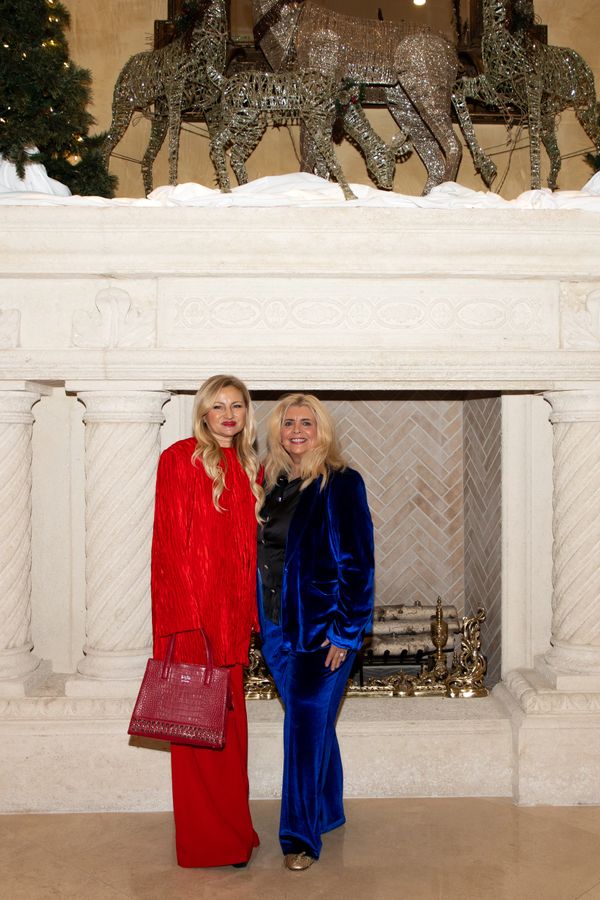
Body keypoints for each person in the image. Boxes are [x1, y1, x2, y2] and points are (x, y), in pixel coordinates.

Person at [258, 393, 374, 871]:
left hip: (322, 634)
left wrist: (346, 633)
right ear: (277, 432)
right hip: (274, 628)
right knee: (314, 724)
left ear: (321, 430)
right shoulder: (272, 484)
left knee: (301, 733)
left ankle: (299, 838)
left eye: (307, 422)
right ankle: (327, 809)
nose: (297, 430)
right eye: (289, 423)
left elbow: (359, 564)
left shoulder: (342, 483)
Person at [151, 374, 263, 868]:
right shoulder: (179, 458)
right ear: (203, 412)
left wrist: (251, 618)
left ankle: (236, 831)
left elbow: (249, 555)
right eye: (218, 406)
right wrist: (185, 624)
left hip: (232, 622)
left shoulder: (250, 466)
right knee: (197, 736)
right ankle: (208, 843)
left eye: (236, 406)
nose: (228, 415)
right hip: (194, 623)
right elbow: (168, 545)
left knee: (229, 736)